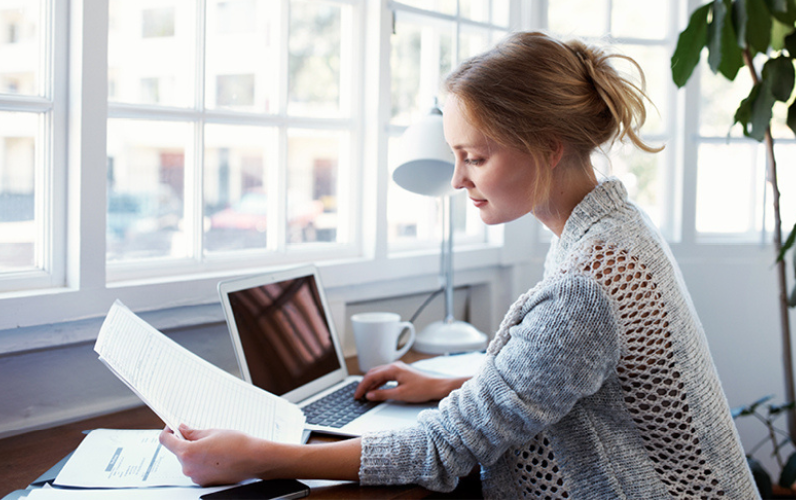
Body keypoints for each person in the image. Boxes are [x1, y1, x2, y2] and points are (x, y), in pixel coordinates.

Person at [160, 31, 759, 498]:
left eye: (474, 155)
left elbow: (443, 450)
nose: (457, 179)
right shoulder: (615, 228)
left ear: (547, 146)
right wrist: (450, 385)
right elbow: (571, 380)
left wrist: (260, 456)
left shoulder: (587, 286)